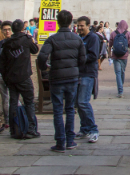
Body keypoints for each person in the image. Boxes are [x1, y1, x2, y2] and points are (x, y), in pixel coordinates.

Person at [37, 10, 86, 152]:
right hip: (72, 77)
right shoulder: (77, 39)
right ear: (71, 22)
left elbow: (42, 57)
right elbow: (83, 59)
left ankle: (60, 142)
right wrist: (77, 69)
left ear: (58, 21)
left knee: (58, 110)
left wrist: (44, 69)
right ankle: (70, 141)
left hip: (56, 77)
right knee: (70, 109)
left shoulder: (52, 39)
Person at [0, 19, 40, 139]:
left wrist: (6, 78)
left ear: (12, 29)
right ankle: (31, 129)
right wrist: (30, 38)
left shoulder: (6, 44)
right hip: (24, 76)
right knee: (29, 102)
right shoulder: (26, 40)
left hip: (11, 78)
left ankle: (14, 129)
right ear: (23, 28)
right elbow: (35, 50)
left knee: (13, 102)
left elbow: (2, 63)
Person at [75, 16, 100, 143]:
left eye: (81, 26)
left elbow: (93, 56)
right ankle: (84, 128)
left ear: (88, 26)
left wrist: (79, 58)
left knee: (83, 102)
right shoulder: (78, 38)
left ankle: (93, 129)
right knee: (78, 103)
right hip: (78, 73)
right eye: (78, 26)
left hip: (88, 73)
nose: (79, 28)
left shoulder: (93, 38)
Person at [0, 21, 13, 129]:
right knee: (7, 98)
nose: (7, 31)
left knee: (11, 98)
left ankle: (11, 120)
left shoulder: (2, 44)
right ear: (1, 31)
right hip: (2, 74)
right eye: (5, 29)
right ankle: (8, 121)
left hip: (10, 74)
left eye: (9, 29)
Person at [109, 20, 130, 98]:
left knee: (118, 73)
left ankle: (120, 91)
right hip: (124, 56)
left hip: (115, 55)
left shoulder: (113, 33)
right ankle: (121, 87)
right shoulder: (128, 33)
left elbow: (110, 44)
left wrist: (109, 53)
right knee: (122, 72)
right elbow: (129, 45)